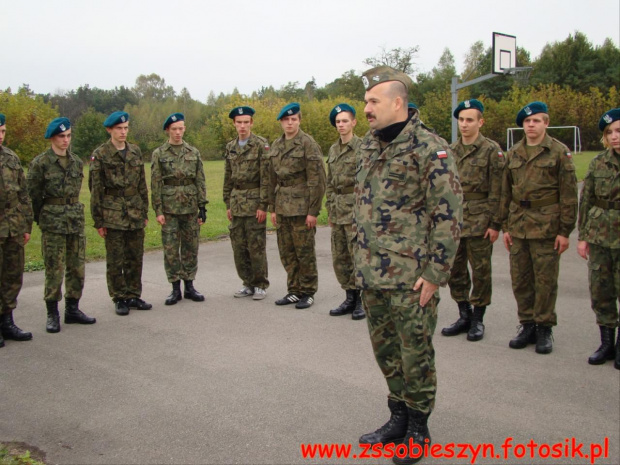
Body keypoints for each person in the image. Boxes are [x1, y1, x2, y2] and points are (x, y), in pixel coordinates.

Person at [355, 66, 462, 465]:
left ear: (397, 102)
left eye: (373, 101)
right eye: (366, 101)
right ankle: (397, 417)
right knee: (386, 352)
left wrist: (435, 275)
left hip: (411, 278)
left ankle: (418, 426)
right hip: (372, 273)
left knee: (415, 353)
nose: (366, 108)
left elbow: (448, 216)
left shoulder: (429, 148)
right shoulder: (369, 145)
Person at [500, 101, 578, 354]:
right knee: (520, 279)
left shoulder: (558, 152)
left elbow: (568, 195)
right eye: (527, 121)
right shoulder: (513, 153)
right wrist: (505, 226)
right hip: (519, 224)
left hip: (546, 226)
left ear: (546, 123)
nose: (531, 125)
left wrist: (565, 231)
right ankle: (527, 324)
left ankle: (544, 327)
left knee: (545, 280)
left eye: (536, 121)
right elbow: (505, 192)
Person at [442, 99, 504, 341]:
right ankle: (463, 313)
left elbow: (499, 191)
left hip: (480, 220)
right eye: (461, 120)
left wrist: (495, 224)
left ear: (480, 122)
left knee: (481, 272)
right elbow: (444, 188)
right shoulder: (449, 151)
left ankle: (478, 319)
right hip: (454, 222)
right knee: (455, 271)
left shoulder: (491, 150)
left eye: (470, 120)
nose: (465, 124)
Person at [27, 117, 96, 333]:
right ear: (52, 138)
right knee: (54, 269)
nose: (65, 140)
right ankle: (52, 312)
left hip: (74, 220)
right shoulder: (41, 163)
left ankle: (72, 309)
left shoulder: (76, 161)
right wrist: (42, 218)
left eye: (68, 136)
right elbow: (33, 197)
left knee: (76, 267)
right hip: (53, 221)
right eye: (61, 136)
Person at [89, 111, 152, 316]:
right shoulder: (101, 154)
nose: (123, 132)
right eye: (119, 128)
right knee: (116, 258)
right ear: (110, 130)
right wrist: (98, 220)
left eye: (125, 128)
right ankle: (119, 297)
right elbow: (95, 188)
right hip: (113, 212)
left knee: (135, 256)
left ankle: (134, 294)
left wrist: (144, 210)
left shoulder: (134, 151)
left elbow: (142, 184)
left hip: (134, 210)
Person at [268, 103, 326, 309]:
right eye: (286, 120)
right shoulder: (276, 145)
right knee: (287, 251)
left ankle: (308, 291)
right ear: (281, 122)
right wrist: (272, 209)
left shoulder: (307, 143)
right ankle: (293, 290)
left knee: (304, 251)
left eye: (294, 119)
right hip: (282, 206)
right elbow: (271, 179)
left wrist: (313, 211)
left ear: (299, 120)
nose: (290, 123)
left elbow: (317, 180)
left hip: (302, 208)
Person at [577, 108, 620, 369]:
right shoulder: (598, 162)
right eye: (609, 133)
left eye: (618, 131)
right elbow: (587, 200)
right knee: (601, 291)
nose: (614, 137)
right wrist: (582, 237)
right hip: (600, 236)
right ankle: (606, 342)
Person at [151, 113, 207, 305]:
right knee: (171, 249)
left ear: (184, 129)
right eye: (174, 129)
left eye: (181, 128)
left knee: (191, 247)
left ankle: (190, 286)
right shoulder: (159, 153)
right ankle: (175, 288)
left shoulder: (193, 152)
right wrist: (158, 210)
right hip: (169, 208)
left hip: (190, 207)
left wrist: (202, 207)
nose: (177, 132)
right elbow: (156, 183)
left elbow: (200, 180)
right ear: (168, 130)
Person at [223, 106, 270, 300]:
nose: (242, 126)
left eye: (246, 122)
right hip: (236, 201)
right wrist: (228, 203)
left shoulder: (260, 145)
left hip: (254, 202)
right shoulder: (230, 147)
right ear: (234, 124)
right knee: (239, 246)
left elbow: (266, 177)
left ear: (251, 123)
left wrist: (263, 205)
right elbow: (228, 177)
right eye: (239, 122)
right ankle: (247, 282)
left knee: (256, 245)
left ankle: (260, 284)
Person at [325, 103, 365, 320]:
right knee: (340, 257)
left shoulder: (363, 147)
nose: (341, 125)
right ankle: (349, 297)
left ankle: (362, 300)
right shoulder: (333, 149)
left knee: (357, 256)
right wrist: (330, 208)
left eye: (345, 121)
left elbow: (367, 182)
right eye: (338, 122)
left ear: (354, 122)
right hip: (338, 209)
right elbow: (329, 181)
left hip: (355, 210)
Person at [0, 113, 34, 346]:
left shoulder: (11, 158)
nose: (0, 136)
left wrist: (26, 224)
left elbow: (24, 194)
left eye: (2, 131)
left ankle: (7, 321)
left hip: (12, 224)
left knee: (13, 274)